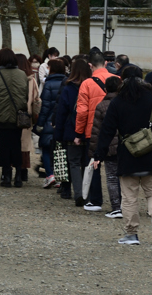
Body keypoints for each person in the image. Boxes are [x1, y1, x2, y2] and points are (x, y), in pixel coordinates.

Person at [93, 65, 152, 246]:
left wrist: (99, 153)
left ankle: (131, 233)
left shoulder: (118, 101)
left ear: (122, 79)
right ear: (143, 78)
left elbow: (107, 130)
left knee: (129, 196)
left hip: (128, 155)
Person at [75, 52, 111, 211]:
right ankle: (119, 202)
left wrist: (78, 133)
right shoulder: (116, 79)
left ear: (90, 65)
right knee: (115, 166)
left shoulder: (87, 83)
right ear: (106, 63)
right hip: (115, 129)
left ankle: (95, 200)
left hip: (93, 130)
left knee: (93, 165)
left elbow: (82, 111)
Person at [0, 49, 29, 188]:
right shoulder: (22, 74)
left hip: (1, 116)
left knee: (3, 147)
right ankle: (18, 175)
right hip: (18, 116)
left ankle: (6, 175)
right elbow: (26, 95)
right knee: (16, 145)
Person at [54, 59, 92, 203]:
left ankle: (78, 193)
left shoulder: (68, 88)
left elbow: (61, 112)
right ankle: (87, 193)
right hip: (89, 128)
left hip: (71, 129)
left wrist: (58, 134)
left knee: (74, 162)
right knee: (86, 163)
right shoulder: (92, 86)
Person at [89, 76, 122, 218]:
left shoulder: (102, 106)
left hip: (109, 147)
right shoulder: (126, 103)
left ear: (105, 89)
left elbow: (96, 131)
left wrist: (95, 152)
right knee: (126, 179)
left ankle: (116, 207)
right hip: (126, 145)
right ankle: (126, 205)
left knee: (112, 177)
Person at [37, 59, 66, 188]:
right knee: (59, 150)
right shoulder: (67, 83)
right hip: (62, 121)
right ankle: (60, 177)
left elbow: (45, 106)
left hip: (49, 121)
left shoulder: (48, 84)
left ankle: (50, 175)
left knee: (47, 149)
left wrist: (40, 123)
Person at [17, 54, 41, 183]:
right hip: (27, 116)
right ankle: (24, 170)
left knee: (14, 142)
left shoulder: (14, 77)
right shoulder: (31, 79)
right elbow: (37, 98)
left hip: (12, 114)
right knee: (24, 144)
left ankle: (12, 171)